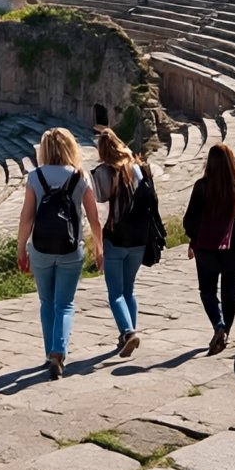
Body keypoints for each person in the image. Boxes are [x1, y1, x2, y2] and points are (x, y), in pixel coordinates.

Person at [16, 126, 104, 379]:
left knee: (47, 303)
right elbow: (94, 219)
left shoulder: (35, 177)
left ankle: (48, 354)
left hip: (41, 248)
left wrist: (21, 247)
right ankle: (58, 352)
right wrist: (99, 249)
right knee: (65, 304)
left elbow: (26, 218)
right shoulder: (79, 177)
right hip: (70, 248)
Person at [183, 144, 235, 355]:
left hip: (206, 248)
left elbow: (189, 221)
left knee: (207, 290)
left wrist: (195, 237)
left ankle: (219, 325)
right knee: (230, 292)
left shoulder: (201, 186)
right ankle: (225, 331)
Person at [90, 128, 152, 358]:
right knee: (129, 290)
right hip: (138, 238)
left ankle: (128, 332)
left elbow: (100, 206)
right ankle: (128, 335)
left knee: (115, 292)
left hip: (115, 237)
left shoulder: (102, 173)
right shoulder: (136, 168)